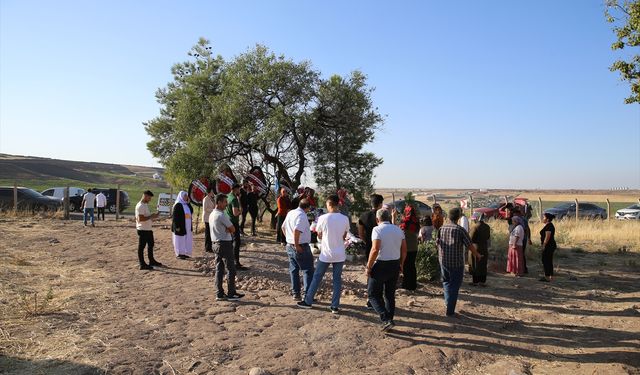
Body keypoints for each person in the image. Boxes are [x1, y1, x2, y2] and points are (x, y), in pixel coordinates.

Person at [297, 195, 349, 313]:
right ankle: (335, 306)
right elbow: (344, 236)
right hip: (339, 253)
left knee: (317, 277)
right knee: (337, 279)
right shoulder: (345, 218)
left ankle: (308, 301)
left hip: (326, 253)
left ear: (329, 204)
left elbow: (319, 235)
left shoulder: (323, 218)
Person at [436, 208, 482, 317]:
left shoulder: (442, 228)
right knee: (455, 286)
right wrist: (477, 255)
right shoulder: (460, 230)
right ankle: (450, 311)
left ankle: (448, 303)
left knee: (446, 282)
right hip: (456, 263)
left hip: (444, 261)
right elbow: (469, 245)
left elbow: (437, 243)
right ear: (458, 217)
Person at [366, 208, 407, 331]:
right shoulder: (398, 230)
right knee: (389, 295)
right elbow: (404, 249)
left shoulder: (377, 229)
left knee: (372, 294)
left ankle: (386, 319)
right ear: (388, 218)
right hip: (394, 264)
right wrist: (401, 264)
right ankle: (389, 319)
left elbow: (375, 249)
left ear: (377, 219)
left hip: (380, 265)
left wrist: (368, 266)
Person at [210, 193, 245, 301]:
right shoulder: (221, 215)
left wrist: (228, 229)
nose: (226, 204)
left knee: (219, 269)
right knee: (231, 269)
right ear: (219, 202)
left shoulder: (212, 214)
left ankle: (219, 293)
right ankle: (231, 293)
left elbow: (229, 228)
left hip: (215, 243)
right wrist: (228, 229)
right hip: (224, 244)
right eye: (225, 202)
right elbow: (233, 229)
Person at [282, 199, 315, 301]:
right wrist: (296, 244)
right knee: (308, 270)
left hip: (290, 245)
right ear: (308, 207)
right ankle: (308, 295)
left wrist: (289, 240)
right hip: (300, 246)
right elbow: (297, 230)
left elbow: (283, 227)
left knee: (294, 269)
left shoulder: (291, 213)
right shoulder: (302, 216)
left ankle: (296, 293)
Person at [135, 190, 163, 270]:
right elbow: (140, 219)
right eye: (149, 197)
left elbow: (147, 217)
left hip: (148, 229)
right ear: (145, 196)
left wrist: (154, 216)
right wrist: (151, 216)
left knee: (151, 245)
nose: (150, 199)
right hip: (143, 229)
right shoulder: (140, 206)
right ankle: (142, 264)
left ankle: (151, 261)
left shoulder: (145, 205)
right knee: (142, 247)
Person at [226, 184, 247, 270]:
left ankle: (230, 261)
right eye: (239, 189)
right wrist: (241, 210)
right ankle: (236, 263)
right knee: (236, 242)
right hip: (233, 222)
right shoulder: (234, 199)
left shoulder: (228, 196)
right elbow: (235, 213)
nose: (240, 190)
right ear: (235, 189)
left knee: (231, 241)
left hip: (228, 221)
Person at [358, 194, 384, 262]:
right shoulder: (384, 216)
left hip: (369, 246)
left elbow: (360, 234)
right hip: (382, 246)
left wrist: (367, 242)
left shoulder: (363, 216)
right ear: (380, 204)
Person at [400, 204, 420, 291]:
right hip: (414, 246)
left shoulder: (406, 221)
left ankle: (406, 285)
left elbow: (400, 230)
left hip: (406, 247)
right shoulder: (416, 221)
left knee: (406, 266)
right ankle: (413, 285)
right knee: (412, 266)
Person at [469, 213, 490, 286]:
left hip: (475, 247)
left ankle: (475, 281)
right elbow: (488, 237)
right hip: (484, 247)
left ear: (477, 219)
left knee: (475, 264)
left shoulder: (475, 227)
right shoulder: (487, 226)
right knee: (483, 264)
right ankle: (482, 282)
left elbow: (471, 238)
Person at [171, 191, 194, 259]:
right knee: (179, 239)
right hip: (180, 226)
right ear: (181, 196)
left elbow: (191, 211)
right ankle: (179, 253)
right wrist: (177, 227)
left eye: (186, 196)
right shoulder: (178, 205)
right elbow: (175, 217)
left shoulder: (186, 204)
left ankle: (184, 252)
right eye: (185, 196)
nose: (186, 197)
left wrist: (189, 203)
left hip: (187, 226)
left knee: (185, 239)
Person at [539, 213, 557, 282]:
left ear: (547, 219)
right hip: (549, 245)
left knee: (546, 260)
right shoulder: (548, 225)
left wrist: (544, 245)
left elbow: (547, 236)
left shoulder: (549, 226)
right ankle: (550, 276)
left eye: (544, 217)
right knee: (548, 260)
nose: (543, 219)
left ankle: (547, 276)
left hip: (549, 246)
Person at [202, 187, 216, 253]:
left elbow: (215, 205)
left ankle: (210, 247)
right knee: (207, 233)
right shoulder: (205, 199)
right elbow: (205, 209)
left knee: (211, 233)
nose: (213, 192)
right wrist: (213, 210)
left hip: (211, 218)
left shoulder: (213, 198)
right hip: (207, 218)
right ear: (209, 192)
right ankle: (207, 248)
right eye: (212, 191)